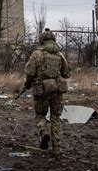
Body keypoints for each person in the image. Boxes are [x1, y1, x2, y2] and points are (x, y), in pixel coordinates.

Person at [24, 28, 71, 156]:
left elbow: (29, 72)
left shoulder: (37, 54)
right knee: (56, 117)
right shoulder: (59, 55)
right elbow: (66, 74)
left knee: (40, 115)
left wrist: (27, 83)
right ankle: (57, 148)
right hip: (56, 90)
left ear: (42, 40)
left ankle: (44, 131)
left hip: (42, 90)